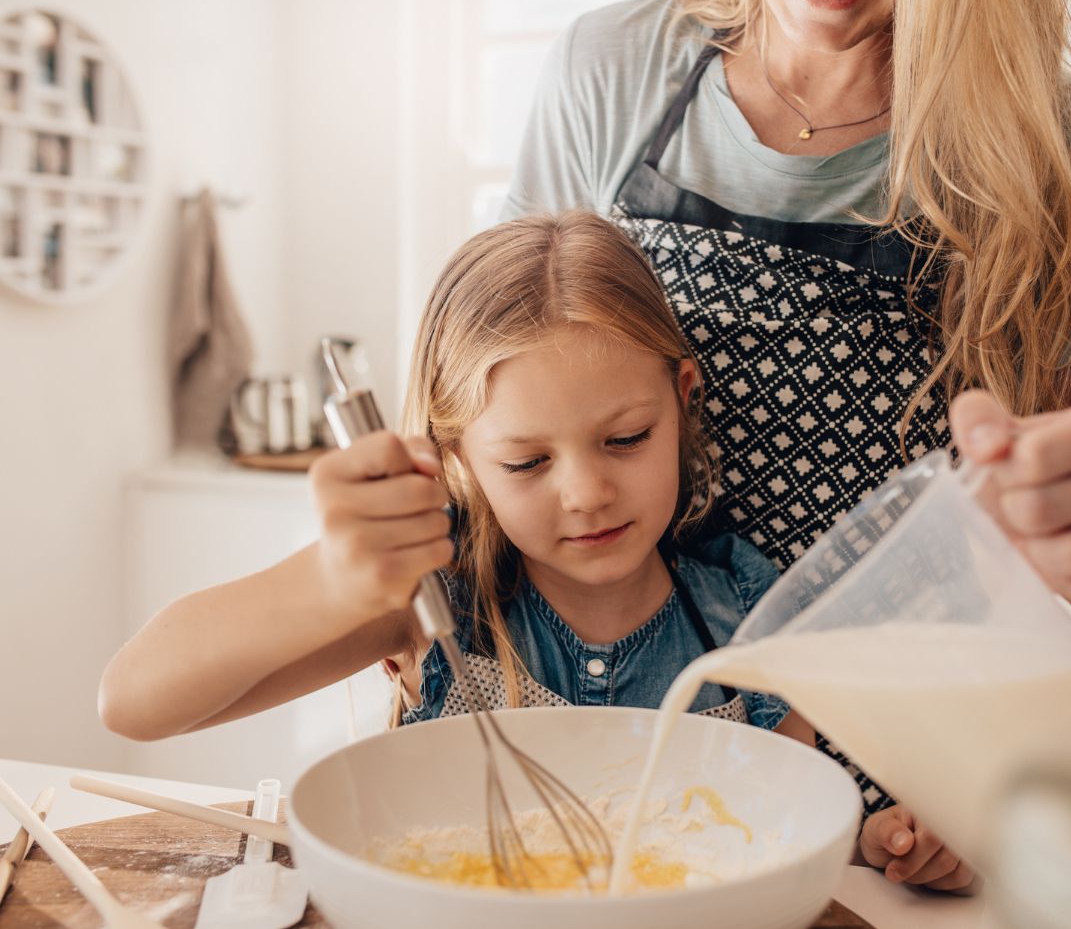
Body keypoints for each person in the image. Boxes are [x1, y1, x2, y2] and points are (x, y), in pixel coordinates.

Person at [98, 211, 972, 892]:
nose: (586, 492)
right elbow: (135, 701)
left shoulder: (754, 621)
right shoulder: (435, 608)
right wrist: (330, 578)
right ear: (457, 459)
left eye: (626, 438)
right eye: (526, 461)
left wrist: (881, 841)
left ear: (684, 398)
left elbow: (786, 831)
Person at [501, 0, 1071, 837]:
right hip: (640, 731)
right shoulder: (616, 67)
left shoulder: (1052, 135)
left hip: (910, 769)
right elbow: (493, 386)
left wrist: (978, 771)